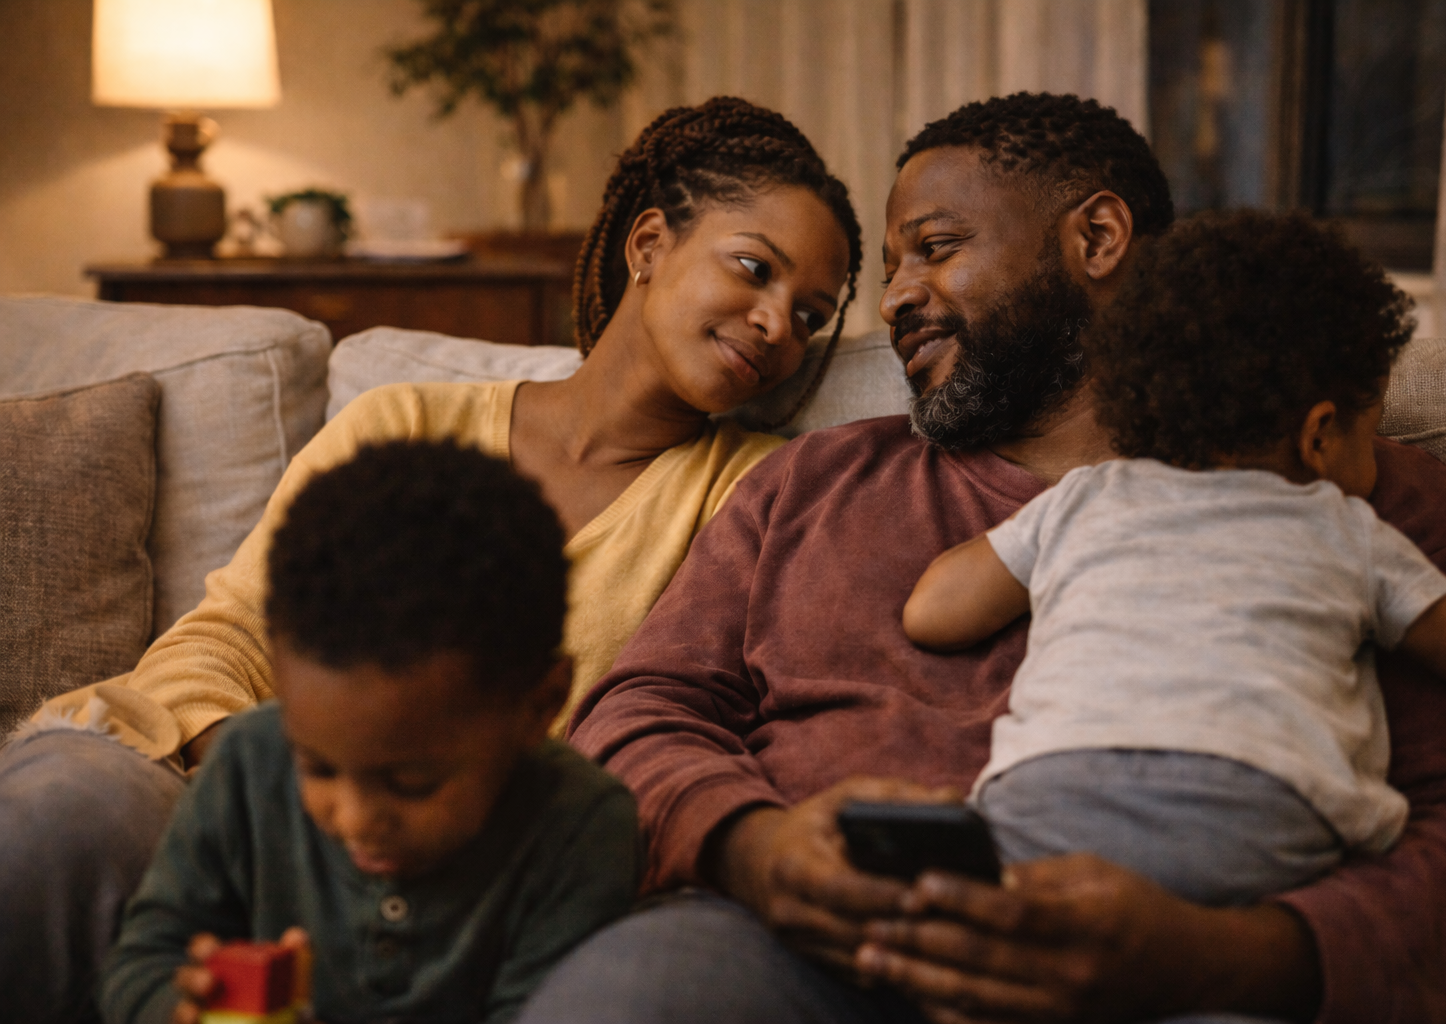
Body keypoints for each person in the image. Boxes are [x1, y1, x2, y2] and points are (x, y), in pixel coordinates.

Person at [524, 93, 1446, 1024]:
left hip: (1194, 972)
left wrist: (1221, 958)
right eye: (892, 269)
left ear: (1096, 238)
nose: (895, 299)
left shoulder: (1347, 490)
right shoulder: (815, 485)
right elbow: (638, 712)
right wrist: (755, 849)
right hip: (808, 954)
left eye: (935, 248)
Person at [0, 96, 859, 1023]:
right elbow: (228, 639)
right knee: (69, 812)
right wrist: (311, 793)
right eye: (754, 268)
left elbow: (683, 737)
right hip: (229, 798)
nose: (777, 324)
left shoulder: (759, 494)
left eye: (810, 316)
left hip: (473, 896)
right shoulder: (404, 421)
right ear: (648, 243)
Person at [903, 210, 1446, 907]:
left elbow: (934, 614)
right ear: (1320, 435)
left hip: (1052, 795)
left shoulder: (1088, 496)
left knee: (1009, 917)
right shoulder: (1345, 528)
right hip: (1260, 809)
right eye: (1370, 429)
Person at [100, 440, 640, 1024]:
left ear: (539, 705)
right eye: (317, 768)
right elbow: (144, 961)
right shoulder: (250, 762)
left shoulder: (582, 830)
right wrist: (181, 1004)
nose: (356, 821)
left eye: (411, 782)